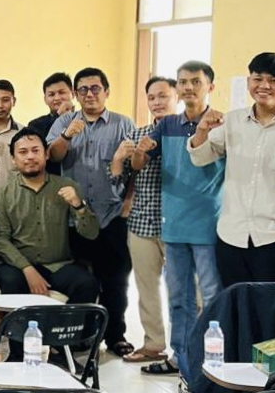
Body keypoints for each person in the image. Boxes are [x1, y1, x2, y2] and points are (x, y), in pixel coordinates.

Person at [189, 52, 275, 286]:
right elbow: (201, 158)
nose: (264, 86)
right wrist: (201, 131)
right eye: (258, 79)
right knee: (237, 302)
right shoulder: (232, 121)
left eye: (274, 80)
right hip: (231, 235)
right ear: (249, 81)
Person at [135, 64, 226, 378]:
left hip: (209, 226)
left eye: (196, 82)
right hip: (173, 226)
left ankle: (213, 362)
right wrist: (140, 150)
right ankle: (180, 358)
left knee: (212, 299)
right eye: (183, 82)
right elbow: (140, 163)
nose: (188, 87)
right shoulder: (168, 125)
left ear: (210, 87)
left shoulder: (221, 123)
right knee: (178, 299)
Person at [45, 67, 136, 357]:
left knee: (116, 280)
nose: (89, 94)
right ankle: (79, 337)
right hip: (74, 217)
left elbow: (135, 168)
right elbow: (53, 156)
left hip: (112, 215)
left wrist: (128, 202)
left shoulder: (123, 124)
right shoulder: (65, 121)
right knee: (81, 281)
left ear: (106, 91)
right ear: (76, 94)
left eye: (95, 88)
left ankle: (115, 336)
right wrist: (67, 136)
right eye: (83, 89)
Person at [0, 128, 100, 360]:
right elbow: (0, 239)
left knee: (87, 283)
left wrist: (79, 205)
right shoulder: (4, 192)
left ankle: (62, 347)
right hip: (19, 265)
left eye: (35, 150)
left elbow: (91, 233)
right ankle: (18, 353)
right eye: (23, 152)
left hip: (58, 263)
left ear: (46, 154)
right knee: (11, 280)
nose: (30, 156)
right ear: (14, 159)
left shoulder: (66, 186)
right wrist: (27, 269)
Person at [108, 76, 177, 368]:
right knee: (146, 288)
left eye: (163, 96)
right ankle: (153, 345)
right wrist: (119, 160)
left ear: (177, 97)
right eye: (151, 97)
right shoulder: (137, 135)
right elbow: (118, 184)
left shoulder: (189, 134)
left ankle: (188, 349)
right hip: (142, 222)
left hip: (181, 225)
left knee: (185, 292)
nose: (157, 102)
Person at [27, 72, 75, 177]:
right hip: (50, 180)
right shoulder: (36, 125)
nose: (57, 98)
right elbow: (42, 152)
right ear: (45, 99)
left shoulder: (84, 120)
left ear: (73, 94)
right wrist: (58, 117)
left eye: (61, 92)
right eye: (51, 94)